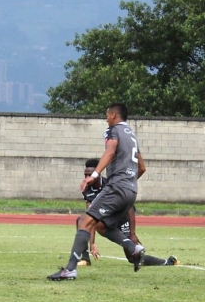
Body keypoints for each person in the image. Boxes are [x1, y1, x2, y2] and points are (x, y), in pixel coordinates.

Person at [48, 103, 146, 281]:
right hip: (131, 190)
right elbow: (142, 167)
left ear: (114, 115)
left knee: (84, 222)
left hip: (116, 187)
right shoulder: (132, 136)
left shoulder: (113, 130)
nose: (106, 119)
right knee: (101, 225)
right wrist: (128, 183)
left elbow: (110, 151)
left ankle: (70, 269)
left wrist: (94, 175)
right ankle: (134, 249)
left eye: (107, 115)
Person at [78, 158, 179, 267]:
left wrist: (132, 233)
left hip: (122, 219)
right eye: (85, 175)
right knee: (81, 220)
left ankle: (167, 262)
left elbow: (130, 208)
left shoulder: (111, 185)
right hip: (107, 222)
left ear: (98, 174)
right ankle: (85, 259)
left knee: (133, 258)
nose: (87, 178)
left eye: (90, 175)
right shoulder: (87, 189)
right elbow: (90, 216)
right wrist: (92, 243)